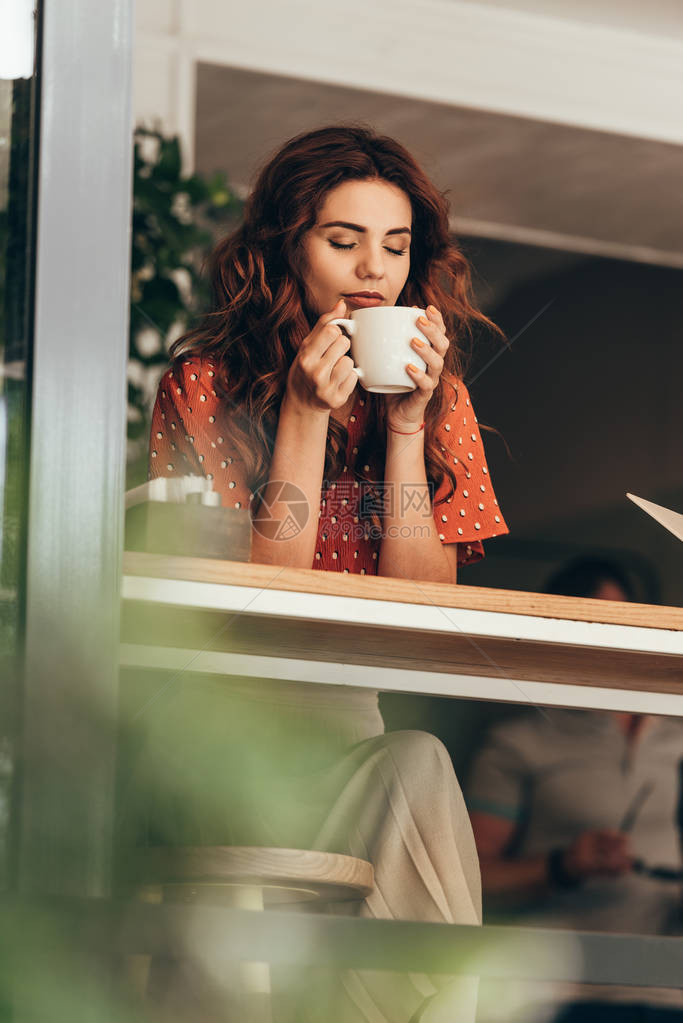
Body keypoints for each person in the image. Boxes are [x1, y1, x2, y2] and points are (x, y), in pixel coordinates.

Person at [139, 125, 509, 1022]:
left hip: (351, 727)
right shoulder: (204, 383)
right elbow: (262, 599)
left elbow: (424, 607)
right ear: (284, 249)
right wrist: (304, 418)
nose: (371, 270)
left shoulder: (438, 392)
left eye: (394, 246)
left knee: (418, 759)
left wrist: (411, 429)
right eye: (341, 241)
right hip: (227, 736)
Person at [467, 557, 683, 1022]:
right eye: (595, 626)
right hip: (557, 990)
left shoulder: (676, 732)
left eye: (624, 624)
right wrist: (563, 866)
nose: (614, 642)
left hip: (669, 989)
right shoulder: (520, 742)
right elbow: (468, 882)